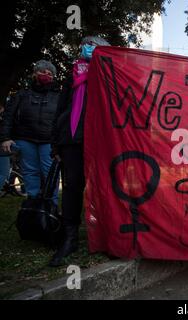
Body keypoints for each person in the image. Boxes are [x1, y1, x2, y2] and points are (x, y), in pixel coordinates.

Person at [49, 36, 110, 267]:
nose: (87, 47)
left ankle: (105, 234)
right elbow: (61, 110)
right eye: (85, 43)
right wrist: (55, 144)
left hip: (100, 140)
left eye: (93, 44)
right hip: (72, 139)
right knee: (73, 187)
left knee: (102, 186)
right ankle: (70, 238)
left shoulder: (109, 74)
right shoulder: (72, 75)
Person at [0, 61, 60, 204]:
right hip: (25, 139)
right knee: (30, 171)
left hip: (49, 141)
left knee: (50, 172)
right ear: (34, 74)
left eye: (50, 73)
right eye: (42, 72)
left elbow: (63, 120)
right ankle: (33, 202)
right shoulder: (21, 94)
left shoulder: (58, 96)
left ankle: (51, 205)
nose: (46, 75)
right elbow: (8, 117)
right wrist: (5, 138)